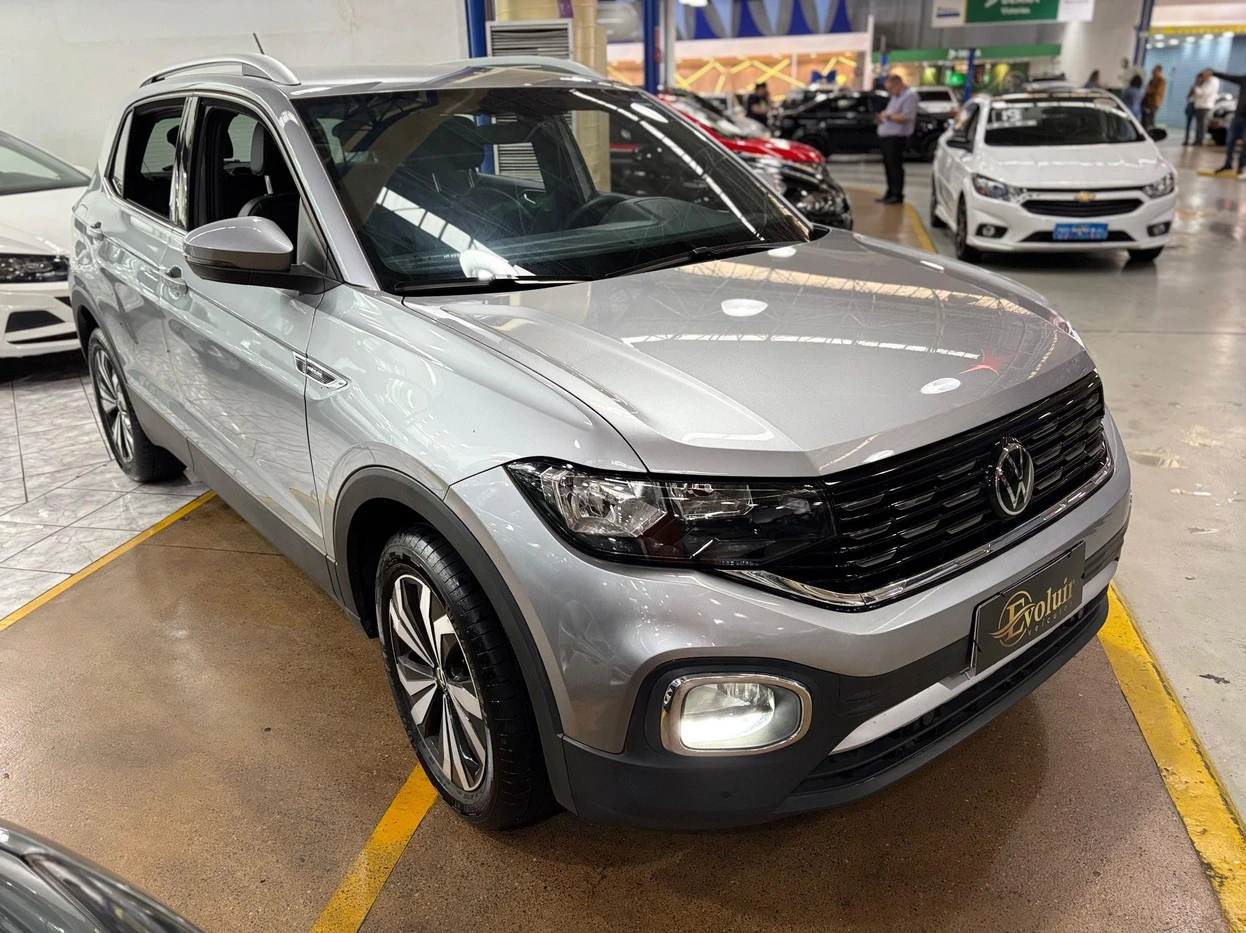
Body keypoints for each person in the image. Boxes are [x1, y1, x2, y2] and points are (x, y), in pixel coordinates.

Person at [875, 73, 919, 205]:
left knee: (895, 167)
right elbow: (890, 112)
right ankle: (890, 191)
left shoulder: (910, 96)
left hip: (897, 137)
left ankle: (897, 193)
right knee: (889, 166)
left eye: (891, 88)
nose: (890, 91)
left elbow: (907, 117)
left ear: (898, 84)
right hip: (887, 136)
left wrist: (888, 117)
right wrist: (882, 117)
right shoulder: (895, 97)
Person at [1211, 68, 1246, 176]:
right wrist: (1214, 73)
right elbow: (1229, 77)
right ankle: (1228, 164)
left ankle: (1241, 166)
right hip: (1239, 115)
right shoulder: (1244, 79)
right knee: (1231, 140)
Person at [1185, 69, 1219, 146]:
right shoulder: (1206, 82)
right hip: (1199, 105)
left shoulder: (1212, 82)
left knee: (1202, 124)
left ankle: (1200, 141)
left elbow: (1204, 93)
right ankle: (1197, 140)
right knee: (1199, 124)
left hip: (1204, 105)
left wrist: (1196, 89)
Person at [1143, 65, 1167, 129]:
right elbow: (1148, 87)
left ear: (1159, 71)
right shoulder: (1151, 80)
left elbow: (1158, 91)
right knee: (1147, 118)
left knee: (1151, 118)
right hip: (1148, 101)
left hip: (1155, 102)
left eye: (1154, 71)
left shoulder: (1162, 80)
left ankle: (1152, 131)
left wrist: (1148, 90)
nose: (1153, 72)